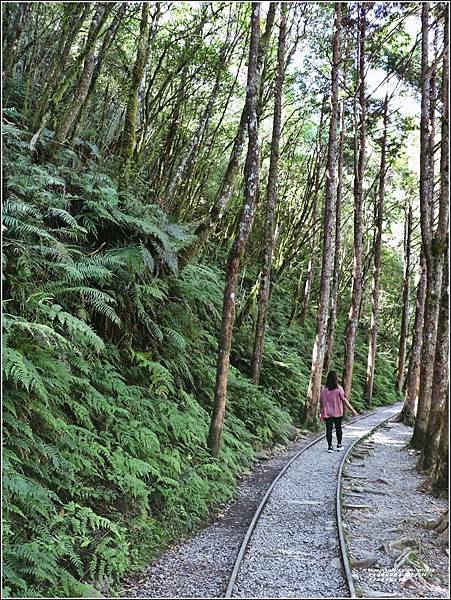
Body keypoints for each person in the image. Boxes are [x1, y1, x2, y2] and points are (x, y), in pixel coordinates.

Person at [319, 371, 358, 453]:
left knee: (328, 430)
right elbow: (344, 400)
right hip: (337, 412)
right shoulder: (339, 388)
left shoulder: (324, 389)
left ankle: (330, 447)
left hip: (327, 413)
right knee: (338, 429)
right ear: (336, 378)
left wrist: (321, 411)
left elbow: (321, 401)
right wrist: (352, 410)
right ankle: (339, 445)